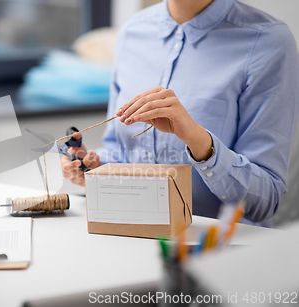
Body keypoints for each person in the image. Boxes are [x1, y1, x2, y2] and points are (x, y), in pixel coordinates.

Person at [61, 0, 299, 227]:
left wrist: (197, 139)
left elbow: (265, 202)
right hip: (134, 237)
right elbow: (123, 152)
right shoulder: (132, 32)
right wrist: (93, 168)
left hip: (218, 253)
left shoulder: (268, 42)